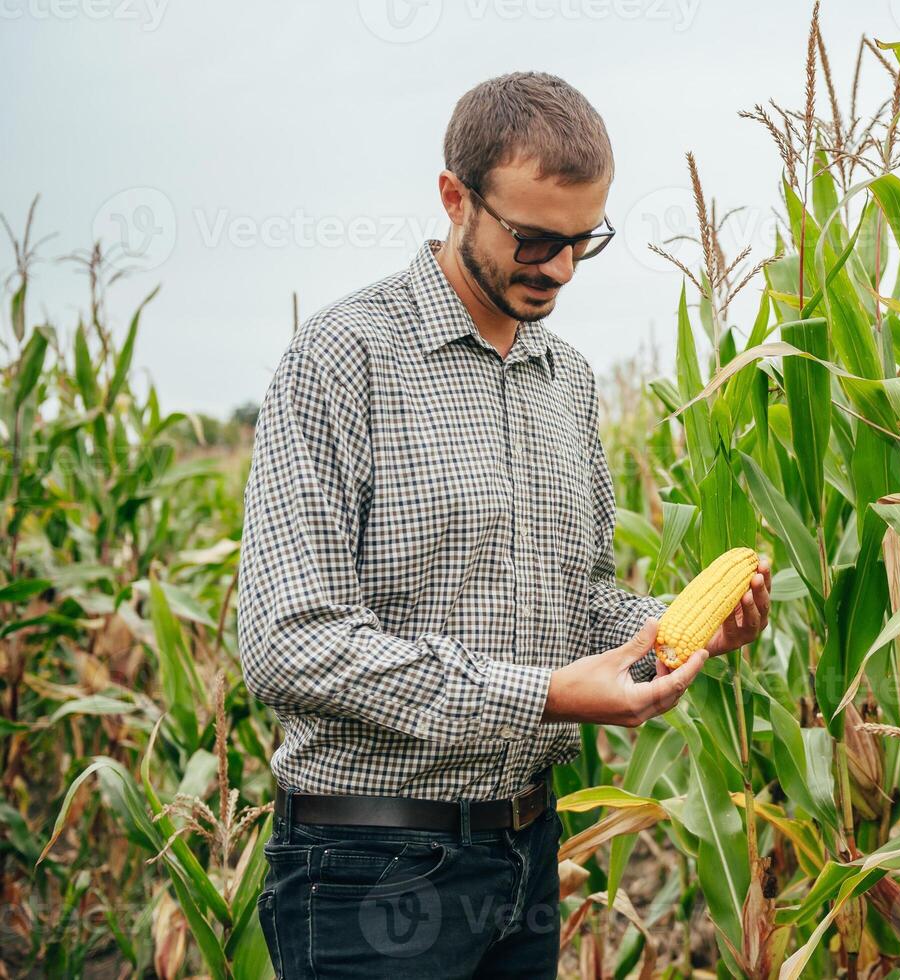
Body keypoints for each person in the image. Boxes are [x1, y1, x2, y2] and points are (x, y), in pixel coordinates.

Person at [236, 70, 772, 978]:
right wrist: (544, 696)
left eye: (580, 243)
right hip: (370, 866)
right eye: (533, 239)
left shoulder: (565, 380)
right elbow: (291, 641)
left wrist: (671, 630)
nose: (558, 270)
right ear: (455, 197)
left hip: (525, 858)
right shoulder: (343, 359)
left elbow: (578, 601)